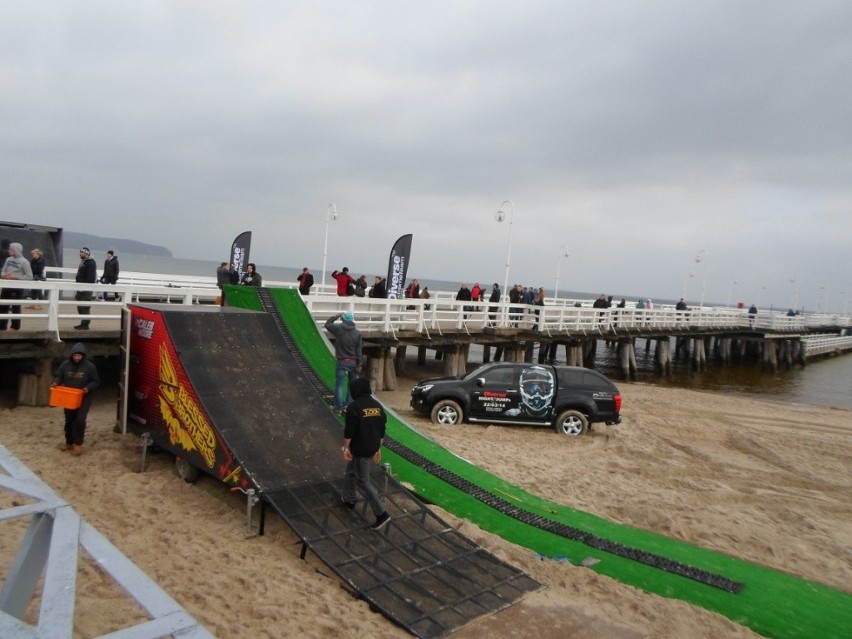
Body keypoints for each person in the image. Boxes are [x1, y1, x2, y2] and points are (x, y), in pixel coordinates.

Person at [340, 377, 391, 531]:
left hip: (360, 449)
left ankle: (382, 514)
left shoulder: (354, 407)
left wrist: (345, 449)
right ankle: (349, 499)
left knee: (363, 481)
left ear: (354, 390)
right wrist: (377, 448)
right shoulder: (377, 406)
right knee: (351, 471)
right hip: (373, 445)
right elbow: (381, 430)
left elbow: (349, 431)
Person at [52, 342, 100, 455]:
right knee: (69, 420)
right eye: (75, 355)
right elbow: (59, 375)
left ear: (83, 355)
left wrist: (87, 388)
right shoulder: (65, 364)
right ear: (72, 355)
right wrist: (55, 382)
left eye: (79, 355)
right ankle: (69, 443)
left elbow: (96, 381)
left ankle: (78, 444)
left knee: (80, 420)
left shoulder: (90, 367)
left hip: (84, 398)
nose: (77, 358)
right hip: (69, 397)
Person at [325, 311, 363, 413]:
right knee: (352, 385)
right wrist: (359, 364)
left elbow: (327, 324)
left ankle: (338, 408)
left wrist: (335, 316)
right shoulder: (358, 333)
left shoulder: (338, 329)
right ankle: (348, 406)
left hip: (342, 361)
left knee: (339, 385)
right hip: (354, 362)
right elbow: (359, 351)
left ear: (343, 319)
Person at [0, 242, 33, 331]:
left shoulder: (24, 262)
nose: (9, 250)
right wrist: (4, 275)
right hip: (7, 286)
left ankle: (15, 327)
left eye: (11, 249)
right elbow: (3, 270)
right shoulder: (8, 259)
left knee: (15, 307)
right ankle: (2, 326)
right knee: (3, 306)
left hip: (17, 287)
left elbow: (29, 277)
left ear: (16, 250)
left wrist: (15, 276)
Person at [74, 247, 97, 330]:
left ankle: (85, 324)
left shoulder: (91, 263)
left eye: (82, 252)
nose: (80, 254)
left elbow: (91, 277)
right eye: (80, 252)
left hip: (86, 287)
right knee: (79, 305)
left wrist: (85, 286)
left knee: (85, 306)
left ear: (86, 253)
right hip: (80, 286)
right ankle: (83, 322)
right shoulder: (83, 262)